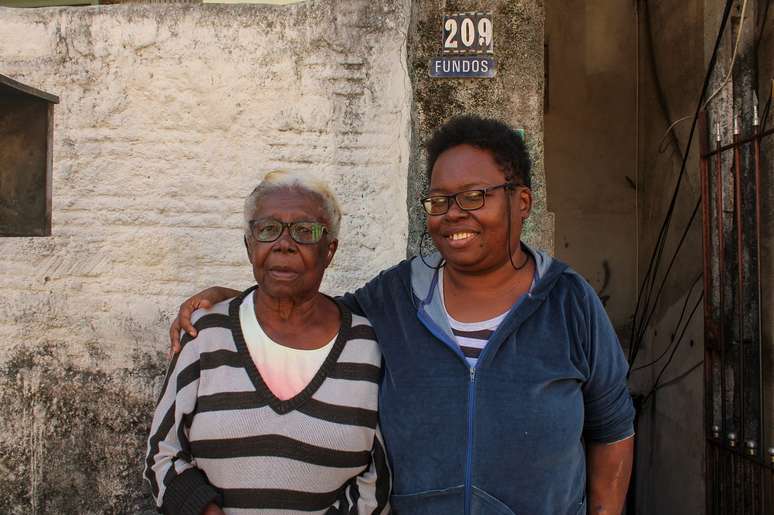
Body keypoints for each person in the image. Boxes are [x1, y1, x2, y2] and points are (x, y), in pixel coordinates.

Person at [169, 115, 635, 515]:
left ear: (522, 202)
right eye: (439, 200)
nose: (453, 214)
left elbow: (611, 427)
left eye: (474, 196)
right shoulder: (397, 295)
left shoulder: (568, 302)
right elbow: (315, 317)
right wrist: (240, 297)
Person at [145, 171, 391, 515]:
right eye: (268, 229)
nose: (284, 243)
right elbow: (163, 452)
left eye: (305, 232)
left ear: (329, 250)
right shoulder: (206, 333)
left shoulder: (368, 345)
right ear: (250, 246)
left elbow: (377, 477)